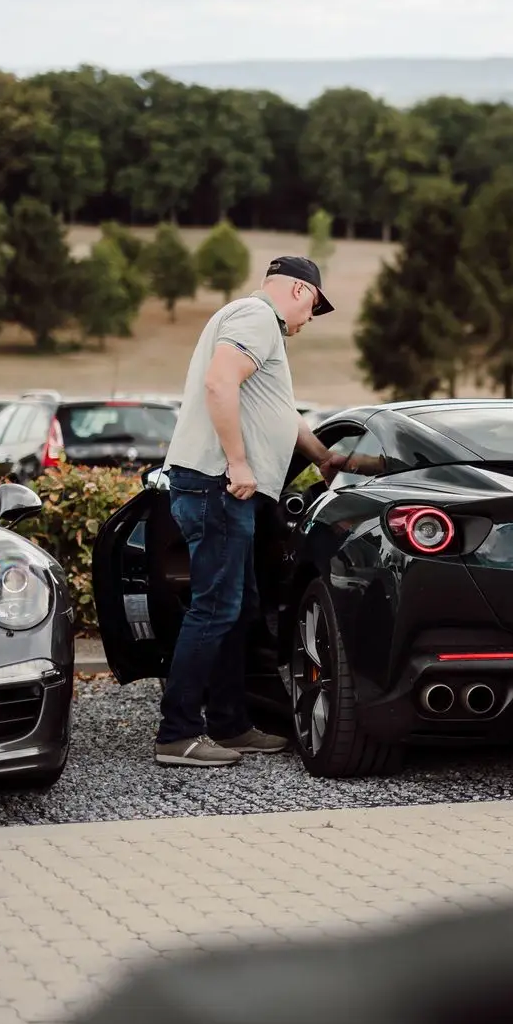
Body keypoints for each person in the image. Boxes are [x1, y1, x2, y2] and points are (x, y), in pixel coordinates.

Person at [153, 256, 362, 768]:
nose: (309, 319)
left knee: (237, 608)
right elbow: (220, 383)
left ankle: (231, 724)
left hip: (220, 488)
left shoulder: (258, 327)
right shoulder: (256, 317)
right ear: (300, 290)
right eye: (314, 306)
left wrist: (322, 457)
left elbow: (280, 412)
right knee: (215, 608)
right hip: (219, 486)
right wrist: (239, 462)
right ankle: (177, 733)